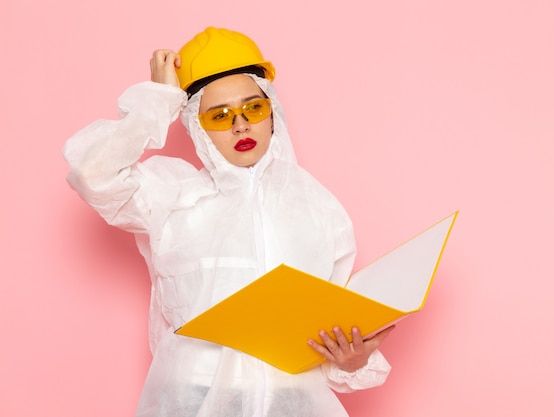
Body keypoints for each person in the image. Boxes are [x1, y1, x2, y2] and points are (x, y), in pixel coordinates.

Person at [63, 26, 393, 417]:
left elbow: (331, 329)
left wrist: (351, 361)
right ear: (195, 125)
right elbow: (93, 173)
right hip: (193, 401)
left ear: (272, 112)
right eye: (219, 116)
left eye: (253, 108)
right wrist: (159, 100)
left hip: (296, 404)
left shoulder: (319, 208)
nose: (240, 125)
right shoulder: (171, 194)